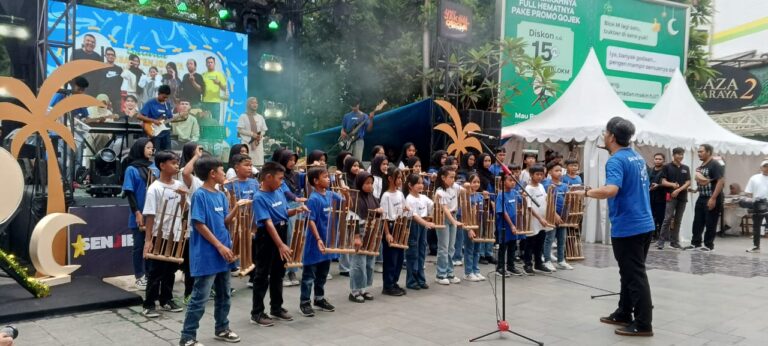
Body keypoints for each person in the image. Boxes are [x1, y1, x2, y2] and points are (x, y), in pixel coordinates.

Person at [579, 116, 654, 337]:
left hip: (629, 226)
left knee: (635, 275)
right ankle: (624, 312)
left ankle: (643, 323)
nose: (604, 135)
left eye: (605, 132)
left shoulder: (616, 160)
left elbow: (611, 190)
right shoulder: (637, 158)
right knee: (629, 273)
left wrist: (586, 192)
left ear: (611, 136)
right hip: (644, 223)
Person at [179, 156, 241, 346]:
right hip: (208, 254)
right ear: (212, 174)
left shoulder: (220, 195)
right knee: (200, 296)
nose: (225, 174)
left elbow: (223, 222)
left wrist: (237, 208)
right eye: (222, 170)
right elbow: (199, 223)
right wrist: (219, 246)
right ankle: (187, 337)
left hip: (224, 254)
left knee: (225, 294)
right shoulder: (200, 195)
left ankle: (222, 328)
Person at [250, 162, 308, 326]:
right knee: (262, 275)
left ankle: (276, 307)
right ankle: (257, 313)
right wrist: (281, 245)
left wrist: (297, 210)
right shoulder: (259, 197)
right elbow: (268, 223)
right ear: (268, 177)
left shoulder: (279, 190)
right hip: (267, 237)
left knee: (278, 273)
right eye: (280, 178)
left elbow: (283, 213)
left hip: (281, 231)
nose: (282, 182)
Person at [140, 150, 186, 318]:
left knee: (170, 270)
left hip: (175, 234)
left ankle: (166, 299)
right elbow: (150, 215)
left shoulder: (179, 185)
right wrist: (148, 240)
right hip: (160, 236)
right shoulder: (155, 189)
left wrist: (182, 198)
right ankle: (149, 304)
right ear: (162, 166)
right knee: (155, 272)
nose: (177, 166)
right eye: (173, 163)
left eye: (177, 162)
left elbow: (183, 209)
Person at [301, 167, 345, 317]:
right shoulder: (313, 199)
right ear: (315, 181)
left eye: (328, 177)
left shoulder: (331, 194)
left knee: (323, 274)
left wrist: (344, 189)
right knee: (308, 276)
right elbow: (310, 221)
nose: (328, 179)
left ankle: (319, 299)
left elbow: (347, 204)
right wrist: (318, 238)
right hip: (315, 244)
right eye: (325, 177)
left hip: (328, 242)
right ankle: (305, 302)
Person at [122, 138, 159, 290]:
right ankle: (139, 276)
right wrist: (136, 212)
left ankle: (151, 274)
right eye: (148, 148)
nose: (151, 151)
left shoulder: (155, 167)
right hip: (139, 213)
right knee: (139, 246)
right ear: (139, 149)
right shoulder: (131, 169)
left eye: (152, 148)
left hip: (154, 214)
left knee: (152, 245)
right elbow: (129, 193)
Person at [684, 144, 724, 251]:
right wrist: (696, 190)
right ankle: (695, 243)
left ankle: (708, 245)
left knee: (710, 222)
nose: (699, 154)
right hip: (702, 197)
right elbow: (705, 181)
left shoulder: (715, 164)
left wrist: (713, 198)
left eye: (701, 151)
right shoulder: (702, 166)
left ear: (709, 152)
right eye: (698, 152)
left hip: (712, 197)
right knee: (697, 221)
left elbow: (720, 181)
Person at [348, 171, 380, 303]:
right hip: (360, 231)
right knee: (358, 263)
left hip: (371, 230)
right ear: (360, 183)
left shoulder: (372, 197)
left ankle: (364, 288)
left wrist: (379, 212)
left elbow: (376, 212)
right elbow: (352, 219)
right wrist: (356, 236)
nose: (370, 185)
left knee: (369, 262)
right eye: (367, 183)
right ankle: (354, 291)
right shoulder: (354, 198)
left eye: (371, 183)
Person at [403, 173, 436, 290]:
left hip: (422, 226)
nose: (421, 185)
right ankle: (411, 280)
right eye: (418, 183)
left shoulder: (423, 197)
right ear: (410, 185)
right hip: (413, 226)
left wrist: (439, 201)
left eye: (422, 183)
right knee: (413, 253)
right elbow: (413, 215)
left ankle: (421, 279)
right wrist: (426, 223)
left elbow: (433, 205)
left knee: (422, 251)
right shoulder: (409, 199)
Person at [434, 167, 465, 285]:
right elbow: (445, 209)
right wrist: (453, 221)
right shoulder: (440, 191)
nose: (453, 179)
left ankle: (450, 272)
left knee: (451, 247)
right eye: (451, 177)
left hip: (454, 216)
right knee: (443, 247)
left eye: (454, 177)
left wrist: (469, 186)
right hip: (443, 218)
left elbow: (464, 190)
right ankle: (440, 274)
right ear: (443, 178)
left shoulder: (454, 187)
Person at [522, 164, 555, 275]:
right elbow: (529, 207)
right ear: (531, 175)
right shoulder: (528, 188)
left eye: (541, 174)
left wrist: (550, 191)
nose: (540, 176)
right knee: (530, 243)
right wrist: (539, 218)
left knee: (540, 242)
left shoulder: (541, 186)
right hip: (533, 220)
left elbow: (545, 199)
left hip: (542, 220)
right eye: (537, 174)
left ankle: (538, 263)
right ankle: (527, 264)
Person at [380, 166, 407, 296]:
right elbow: (384, 217)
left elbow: (403, 207)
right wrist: (387, 233)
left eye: (401, 178)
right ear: (390, 178)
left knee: (399, 257)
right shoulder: (386, 196)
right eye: (398, 178)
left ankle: (394, 281)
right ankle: (388, 285)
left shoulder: (400, 193)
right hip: (390, 226)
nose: (400, 180)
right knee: (391, 258)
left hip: (399, 225)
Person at [657, 147, 690, 250]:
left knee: (678, 220)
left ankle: (674, 242)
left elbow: (688, 182)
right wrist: (672, 185)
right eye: (678, 154)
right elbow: (662, 181)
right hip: (670, 197)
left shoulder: (686, 168)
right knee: (667, 218)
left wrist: (678, 190)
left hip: (682, 197)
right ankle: (661, 242)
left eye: (682, 154)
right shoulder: (667, 167)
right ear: (674, 155)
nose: (680, 156)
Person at [542, 161, 574, 270]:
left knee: (562, 240)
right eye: (556, 170)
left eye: (561, 170)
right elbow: (546, 202)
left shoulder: (565, 186)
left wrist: (567, 214)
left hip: (563, 218)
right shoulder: (547, 185)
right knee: (550, 239)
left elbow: (567, 201)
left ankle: (561, 260)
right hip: (551, 217)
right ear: (550, 172)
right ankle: (547, 260)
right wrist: (554, 214)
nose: (559, 173)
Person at [496, 169, 523, 277]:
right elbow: (503, 211)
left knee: (513, 245)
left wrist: (524, 198)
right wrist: (511, 225)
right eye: (510, 180)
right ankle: (500, 267)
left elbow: (521, 203)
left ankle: (511, 266)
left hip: (515, 225)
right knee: (503, 247)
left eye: (514, 181)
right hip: (505, 226)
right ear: (503, 182)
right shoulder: (501, 195)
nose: (513, 182)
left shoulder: (515, 193)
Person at [461, 173, 487, 282]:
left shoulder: (480, 196)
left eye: (478, 182)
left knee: (477, 249)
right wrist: (469, 229)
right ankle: (468, 272)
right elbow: (463, 214)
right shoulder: (466, 197)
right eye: (474, 182)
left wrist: (486, 199)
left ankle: (476, 270)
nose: (476, 184)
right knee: (469, 249)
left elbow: (484, 211)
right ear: (468, 183)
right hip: (469, 226)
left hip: (479, 225)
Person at [137, 84, 174, 151]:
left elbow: (170, 118)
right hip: (155, 132)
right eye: (163, 97)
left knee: (168, 153)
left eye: (167, 97)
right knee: (157, 154)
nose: (165, 99)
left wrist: (180, 117)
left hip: (166, 133)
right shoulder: (150, 103)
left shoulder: (167, 104)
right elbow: (139, 116)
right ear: (158, 93)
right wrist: (153, 121)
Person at [744, 160, 768, 253]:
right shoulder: (754, 178)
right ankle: (756, 246)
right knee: (756, 226)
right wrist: (750, 202)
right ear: (761, 168)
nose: (767, 168)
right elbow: (748, 192)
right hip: (758, 204)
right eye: (765, 166)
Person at [237, 97, 268, 166]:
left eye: (256, 103)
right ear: (248, 104)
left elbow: (264, 130)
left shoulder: (260, 117)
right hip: (247, 143)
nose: (255, 104)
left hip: (258, 143)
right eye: (252, 103)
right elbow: (240, 129)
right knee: (247, 163)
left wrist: (260, 135)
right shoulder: (243, 116)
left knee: (258, 164)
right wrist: (252, 134)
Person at [202, 56, 227, 123]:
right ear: (206, 64)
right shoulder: (203, 75)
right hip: (204, 102)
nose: (210, 64)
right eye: (208, 62)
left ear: (214, 63)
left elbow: (224, 89)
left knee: (215, 121)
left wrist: (219, 83)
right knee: (204, 121)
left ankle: (215, 133)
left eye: (211, 62)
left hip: (215, 102)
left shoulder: (219, 74)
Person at [648, 153, 666, 240]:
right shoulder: (650, 170)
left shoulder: (666, 170)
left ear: (663, 160)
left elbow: (668, 183)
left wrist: (659, 185)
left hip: (661, 197)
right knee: (651, 216)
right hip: (651, 196)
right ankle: (652, 235)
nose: (657, 160)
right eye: (656, 159)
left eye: (660, 159)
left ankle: (661, 236)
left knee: (661, 217)